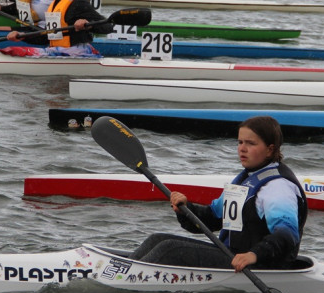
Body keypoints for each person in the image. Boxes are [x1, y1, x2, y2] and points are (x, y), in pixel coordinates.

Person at [129, 116, 307, 271]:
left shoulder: (278, 187)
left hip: (261, 265)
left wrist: (253, 255)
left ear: (269, 149)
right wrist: (185, 208)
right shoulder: (247, 178)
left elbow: (288, 235)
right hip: (234, 256)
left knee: (170, 249)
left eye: (250, 143)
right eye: (240, 142)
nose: (242, 149)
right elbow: (212, 219)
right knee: (157, 239)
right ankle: (125, 269)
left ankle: (127, 281)